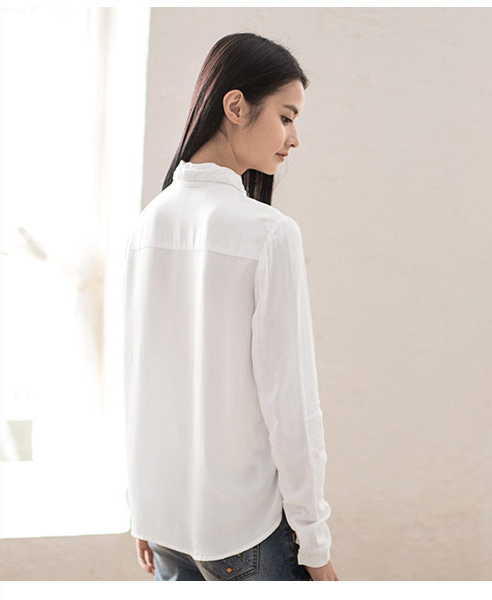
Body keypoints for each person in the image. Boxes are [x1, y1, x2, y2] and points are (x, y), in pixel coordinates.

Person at [122, 32, 338, 581]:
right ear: (236, 106)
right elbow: (291, 405)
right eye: (286, 117)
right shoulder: (268, 232)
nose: (294, 138)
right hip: (243, 530)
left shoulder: (148, 223)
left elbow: (138, 384)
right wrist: (315, 544)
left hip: (165, 524)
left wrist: (140, 505)